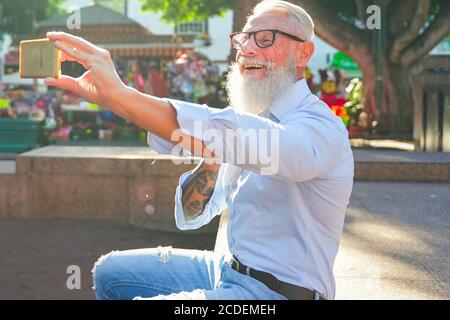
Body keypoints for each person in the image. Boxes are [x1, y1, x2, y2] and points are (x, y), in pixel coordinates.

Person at [45, 0, 354, 300]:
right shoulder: (252, 120)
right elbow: (192, 215)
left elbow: (263, 144)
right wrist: (113, 100)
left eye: (264, 39)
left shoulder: (319, 126)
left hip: (275, 293)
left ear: (304, 52)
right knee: (109, 272)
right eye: (243, 38)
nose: (246, 49)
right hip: (225, 269)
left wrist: (121, 95)